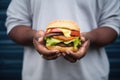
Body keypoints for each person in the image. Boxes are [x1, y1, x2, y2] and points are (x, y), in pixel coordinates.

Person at [5, 0, 120, 80]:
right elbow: (15, 24)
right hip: (38, 76)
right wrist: (36, 36)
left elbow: (113, 24)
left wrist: (87, 38)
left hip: (91, 75)